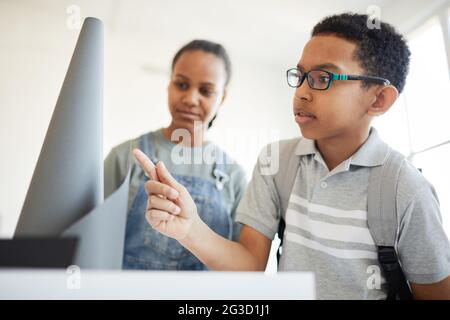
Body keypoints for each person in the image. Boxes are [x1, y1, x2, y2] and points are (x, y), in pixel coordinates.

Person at [132, 13, 450, 299]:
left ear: (378, 99)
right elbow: (249, 266)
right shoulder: (276, 163)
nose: (302, 92)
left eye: (323, 78)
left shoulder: (406, 189)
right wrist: (190, 229)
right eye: (300, 76)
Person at [104, 40, 247, 270]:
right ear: (169, 85)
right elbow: (94, 243)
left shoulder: (235, 177)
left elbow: (243, 268)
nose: (190, 98)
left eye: (206, 91)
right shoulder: (124, 158)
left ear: (222, 98)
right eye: (181, 84)